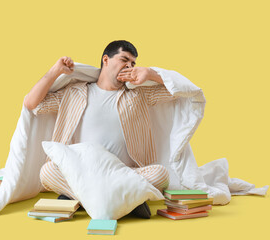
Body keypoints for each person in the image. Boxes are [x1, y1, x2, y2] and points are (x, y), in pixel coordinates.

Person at [24, 40, 178, 218]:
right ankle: (126, 201)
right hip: (82, 170)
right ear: (106, 59)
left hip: (124, 173)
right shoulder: (74, 93)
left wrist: (150, 73)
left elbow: (179, 91)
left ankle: (82, 198)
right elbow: (31, 103)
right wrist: (55, 71)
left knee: (161, 174)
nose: (129, 66)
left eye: (133, 64)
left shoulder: (138, 95)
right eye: (124, 60)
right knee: (47, 171)